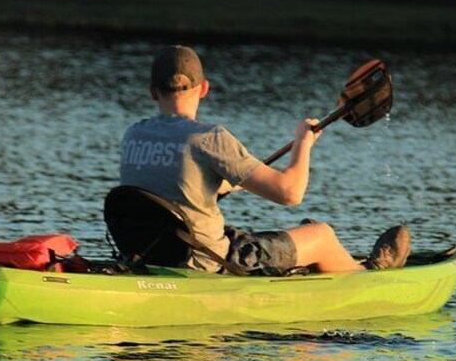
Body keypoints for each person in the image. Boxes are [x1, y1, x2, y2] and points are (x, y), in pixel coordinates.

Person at [118, 45, 410, 274]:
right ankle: (369, 273)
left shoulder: (133, 135)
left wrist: (230, 183)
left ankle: (308, 258)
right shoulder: (208, 138)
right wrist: (302, 145)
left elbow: (174, 187)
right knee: (322, 235)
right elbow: (290, 192)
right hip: (206, 261)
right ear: (204, 88)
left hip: (153, 253)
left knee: (269, 236)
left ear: (152, 90)